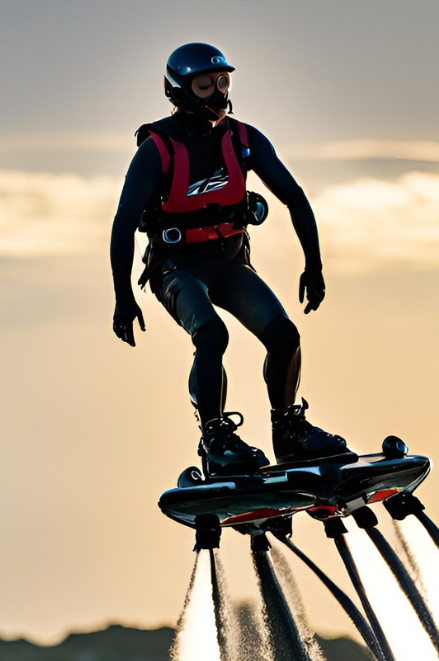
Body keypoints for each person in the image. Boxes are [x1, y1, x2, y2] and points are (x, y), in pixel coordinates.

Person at [110, 42, 352, 478]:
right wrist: (123, 297)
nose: (218, 93)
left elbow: (295, 199)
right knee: (211, 335)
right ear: (178, 90)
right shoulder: (157, 149)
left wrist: (313, 266)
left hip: (230, 264)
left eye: (223, 82)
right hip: (177, 270)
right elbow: (123, 223)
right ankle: (216, 439)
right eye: (205, 85)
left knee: (284, 336)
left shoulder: (243, 139)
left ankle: (289, 433)